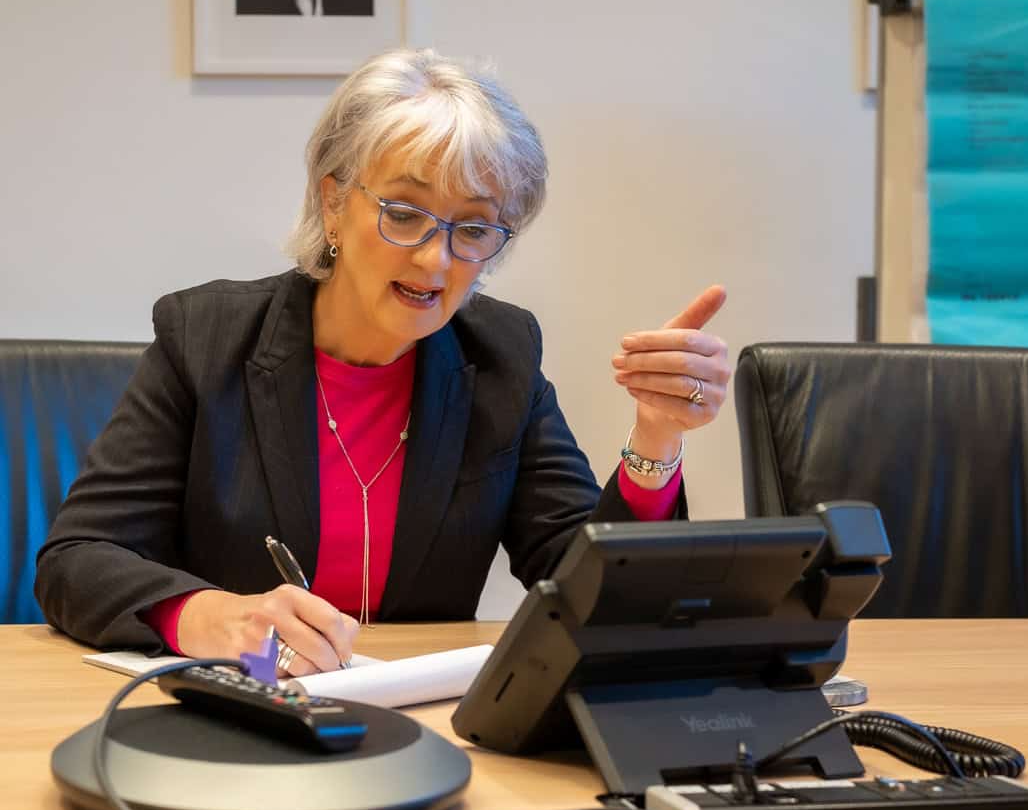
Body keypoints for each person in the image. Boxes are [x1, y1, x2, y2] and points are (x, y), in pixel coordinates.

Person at [34, 49, 730, 678]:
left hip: (421, 717)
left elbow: (592, 591)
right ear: (333, 203)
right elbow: (76, 559)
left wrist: (657, 438)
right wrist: (211, 616)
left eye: (473, 227)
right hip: (238, 704)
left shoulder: (501, 356)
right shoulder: (206, 338)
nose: (435, 259)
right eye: (403, 213)